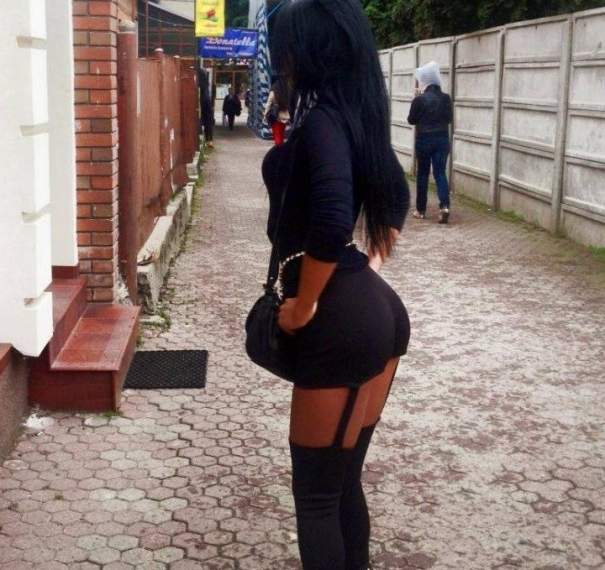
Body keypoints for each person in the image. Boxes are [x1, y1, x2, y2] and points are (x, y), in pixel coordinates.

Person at [259, 1, 411, 568]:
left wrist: (305, 303)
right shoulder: (353, 115)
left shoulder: (324, 120)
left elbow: (328, 219)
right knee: (342, 482)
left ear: (309, 51)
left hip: (340, 319)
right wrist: (367, 272)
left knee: (317, 498)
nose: (283, 60)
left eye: (288, 49)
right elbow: (396, 198)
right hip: (375, 310)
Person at [407, 61, 453, 224]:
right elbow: (449, 119)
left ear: (425, 81)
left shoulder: (419, 100)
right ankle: (444, 206)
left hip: (424, 139)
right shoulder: (446, 98)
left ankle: (420, 210)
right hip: (442, 139)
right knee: (440, 173)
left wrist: (418, 101)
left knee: (423, 174)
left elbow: (411, 120)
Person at [264, 76, 291, 145]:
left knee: (277, 135)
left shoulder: (274, 90)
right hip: (285, 115)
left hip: (275, 115)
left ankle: (279, 149)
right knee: (281, 135)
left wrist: (265, 114)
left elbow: (269, 103)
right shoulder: (286, 90)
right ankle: (281, 148)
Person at [198, 67, 214, 148]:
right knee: (208, 121)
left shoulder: (202, 84)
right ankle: (209, 140)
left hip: (204, 102)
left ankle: (207, 140)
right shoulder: (206, 85)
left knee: (205, 120)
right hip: (206, 102)